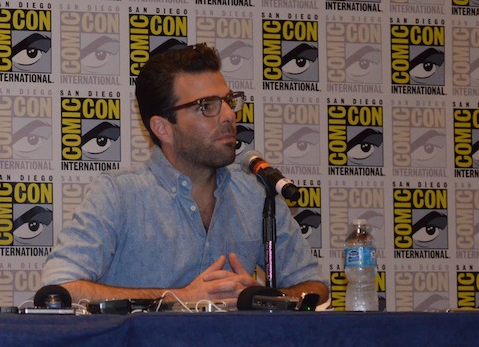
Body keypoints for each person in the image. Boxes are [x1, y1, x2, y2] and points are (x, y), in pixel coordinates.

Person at [42, 43, 328, 308]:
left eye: (228, 100)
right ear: (162, 127)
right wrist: (179, 298)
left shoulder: (257, 193)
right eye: (206, 106)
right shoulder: (118, 195)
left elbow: (317, 287)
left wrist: (263, 298)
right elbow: (61, 288)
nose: (229, 114)